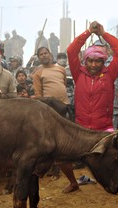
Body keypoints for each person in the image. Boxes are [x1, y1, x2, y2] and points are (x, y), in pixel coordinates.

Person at [33, 47, 77, 193]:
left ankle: (71, 180)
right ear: (38, 58)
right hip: (49, 112)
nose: (44, 56)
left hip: (64, 109)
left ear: (51, 54)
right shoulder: (38, 73)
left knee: (66, 144)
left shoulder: (61, 69)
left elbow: (63, 86)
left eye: (46, 53)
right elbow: (38, 96)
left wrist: (61, 103)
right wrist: (52, 102)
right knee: (51, 144)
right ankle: (53, 172)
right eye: (41, 54)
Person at [68, 23, 118, 131]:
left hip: (104, 129)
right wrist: (88, 32)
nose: (93, 65)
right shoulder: (78, 73)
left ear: (103, 61)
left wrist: (103, 34)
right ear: (86, 61)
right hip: (81, 129)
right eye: (90, 61)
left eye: (98, 61)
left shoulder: (109, 74)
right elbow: (71, 51)